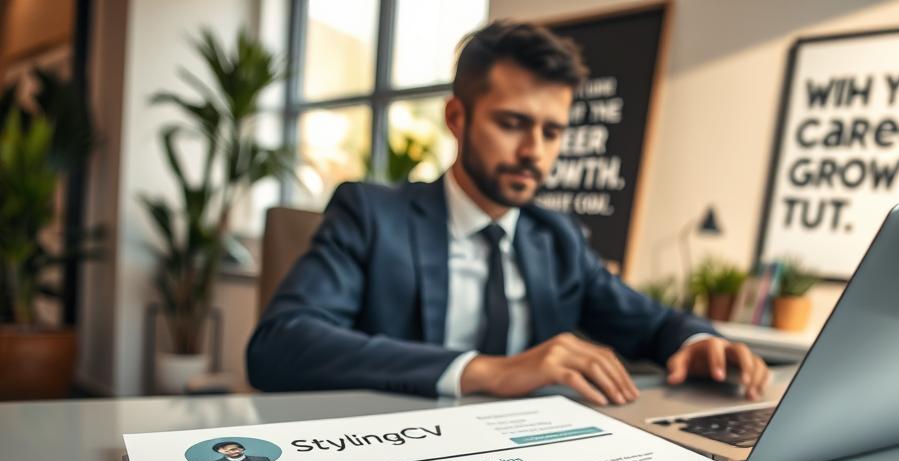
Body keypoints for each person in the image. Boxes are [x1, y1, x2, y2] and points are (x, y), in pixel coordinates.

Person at [247, 20, 770, 406]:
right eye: (513, 123)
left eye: (551, 131)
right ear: (457, 117)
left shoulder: (557, 236)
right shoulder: (371, 215)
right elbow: (280, 344)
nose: (534, 152)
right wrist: (483, 371)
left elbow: (651, 322)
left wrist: (701, 343)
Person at [205, 441, 272, 461]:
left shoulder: (263, 460)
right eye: (226, 451)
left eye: (235, 449)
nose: (232, 452)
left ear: (242, 449)